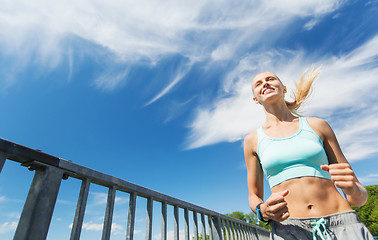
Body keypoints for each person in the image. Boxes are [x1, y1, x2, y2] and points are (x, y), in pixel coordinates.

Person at [243, 68, 374, 240]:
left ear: (284, 88)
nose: (265, 83)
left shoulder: (318, 126)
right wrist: (263, 210)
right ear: (255, 99)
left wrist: (353, 190)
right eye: (258, 84)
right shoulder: (252, 140)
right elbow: (254, 196)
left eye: (270, 79)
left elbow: (359, 198)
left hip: (342, 223)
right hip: (288, 228)